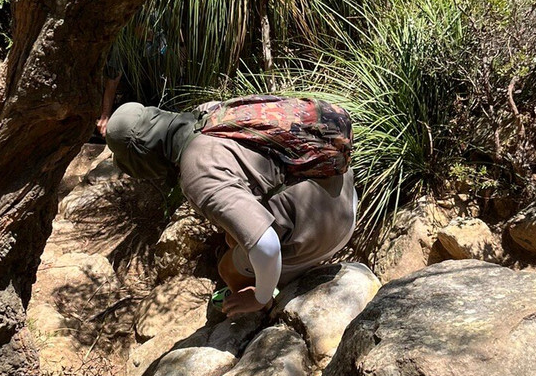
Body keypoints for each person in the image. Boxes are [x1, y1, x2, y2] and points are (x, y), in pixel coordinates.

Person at [104, 102, 357, 316]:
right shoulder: (208, 113)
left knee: (227, 267)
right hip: (344, 192)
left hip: (330, 228)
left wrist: (259, 296)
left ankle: (267, 307)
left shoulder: (197, 173)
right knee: (231, 235)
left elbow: (266, 244)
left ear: (142, 157)